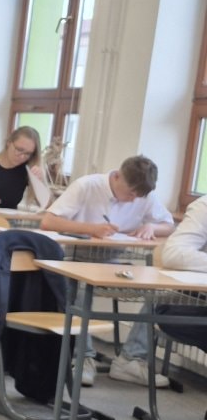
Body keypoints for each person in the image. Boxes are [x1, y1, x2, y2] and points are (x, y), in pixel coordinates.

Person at [41, 155, 175, 386]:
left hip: (115, 262)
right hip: (76, 259)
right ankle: (83, 358)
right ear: (117, 177)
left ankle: (130, 359)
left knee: (159, 292)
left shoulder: (144, 195)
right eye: (130, 193)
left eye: (139, 196)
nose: (134, 200)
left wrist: (151, 226)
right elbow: (49, 221)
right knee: (78, 290)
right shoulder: (87, 186)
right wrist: (90, 228)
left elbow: (169, 225)